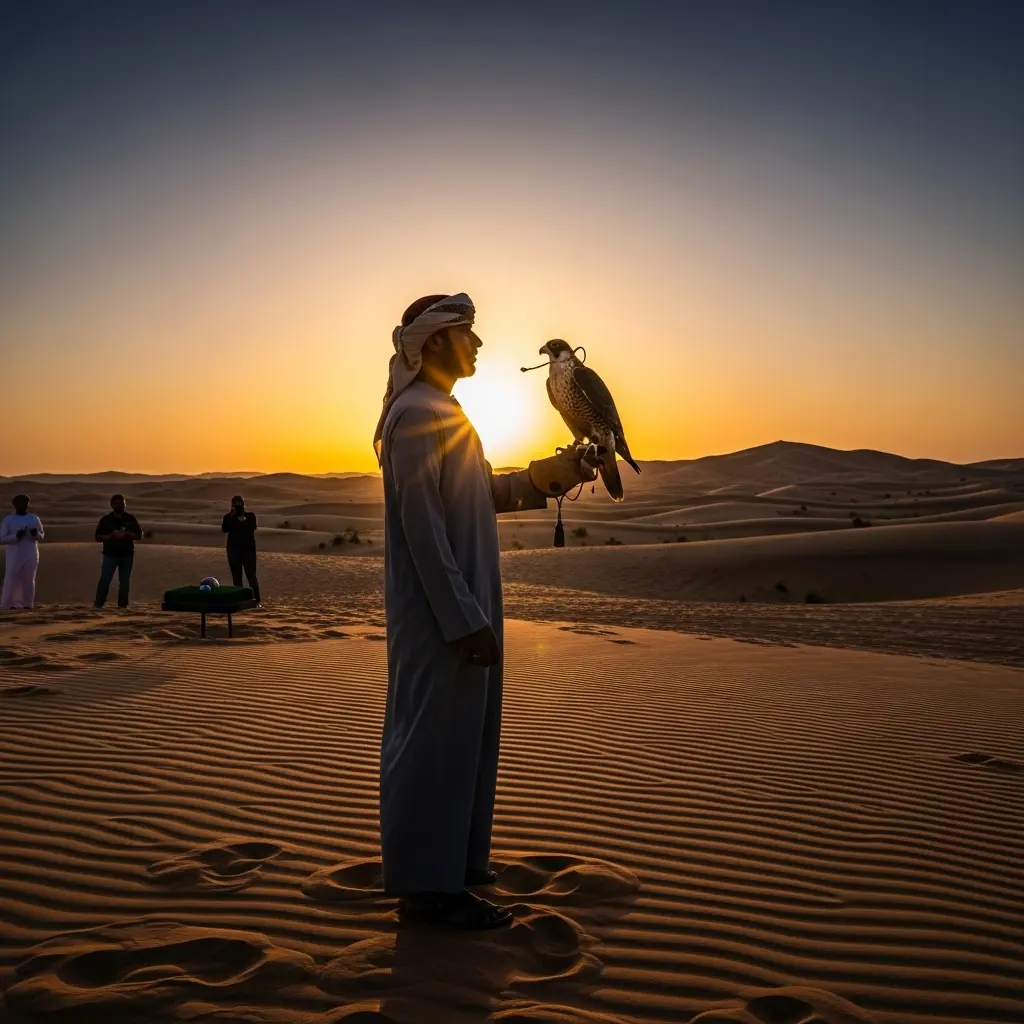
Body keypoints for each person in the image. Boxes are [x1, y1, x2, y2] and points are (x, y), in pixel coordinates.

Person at [374, 292, 596, 929]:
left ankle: (452, 871)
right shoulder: (416, 414)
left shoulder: (442, 411)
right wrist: (462, 619)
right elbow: (422, 530)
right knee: (431, 745)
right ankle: (427, 893)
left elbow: (481, 493)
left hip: (464, 606)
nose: (477, 344)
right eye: (466, 333)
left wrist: (553, 474)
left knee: (461, 742)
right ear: (434, 342)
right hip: (439, 616)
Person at [94, 494, 142, 609]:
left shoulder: (130, 519)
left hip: (126, 555)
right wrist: (110, 536)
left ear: (124, 504)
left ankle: (122, 607)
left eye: (121, 503)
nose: (119, 505)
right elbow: (97, 537)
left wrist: (129, 535)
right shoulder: (106, 520)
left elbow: (139, 535)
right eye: (116, 503)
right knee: (105, 580)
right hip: (110, 555)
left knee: (125, 582)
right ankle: (98, 605)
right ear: (112, 504)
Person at [1, 494, 45, 611]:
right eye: (21, 503)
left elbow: (41, 535)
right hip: (14, 554)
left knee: (29, 578)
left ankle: (27, 604)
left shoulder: (34, 518)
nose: (23, 506)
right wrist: (16, 536)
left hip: (31, 553)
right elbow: (2, 538)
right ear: (15, 505)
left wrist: (35, 534)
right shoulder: (9, 519)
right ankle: (8, 604)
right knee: (12, 577)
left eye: (25, 503)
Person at [221, 495, 261, 605]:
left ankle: (257, 601)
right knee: (236, 579)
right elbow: (224, 529)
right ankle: (240, 601)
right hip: (233, 552)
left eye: (239, 505)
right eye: (235, 505)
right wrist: (231, 516)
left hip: (248, 552)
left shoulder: (250, 516)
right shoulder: (228, 517)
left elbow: (252, 527)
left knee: (252, 577)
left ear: (243, 505)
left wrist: (242, 519)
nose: (237, 508)